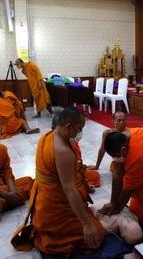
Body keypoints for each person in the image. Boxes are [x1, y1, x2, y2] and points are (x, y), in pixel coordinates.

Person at [13, 107, 104, 256]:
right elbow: (69, 189)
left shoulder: (47, 136)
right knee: (97, 235)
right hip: (55, 204)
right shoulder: (63, 151)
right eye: (79, 128)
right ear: (69, 127)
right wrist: (86, 224)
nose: (80, 133)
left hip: (44, 197)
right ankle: (49, 240)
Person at [51, 114, 100, 190]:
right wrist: (86, 186)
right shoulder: (64, 148)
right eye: (79, 128)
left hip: (58, 176)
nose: (79, 131)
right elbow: (73, 171)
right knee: (95, 175)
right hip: (62, 180)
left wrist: (83, 166)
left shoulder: (46, 139)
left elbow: (75, 164)